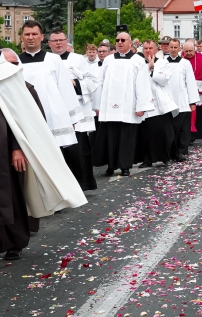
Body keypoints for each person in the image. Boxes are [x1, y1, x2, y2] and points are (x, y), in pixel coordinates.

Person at [0, 22, 86, 276]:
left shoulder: (11, 75)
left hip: (5, 151)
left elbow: (24, 115)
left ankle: (14, 241)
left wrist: (18, 148)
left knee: (9, 197)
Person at [18, 23, 82, 176]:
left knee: (57, 157)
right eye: (27, 34)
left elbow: (65, 88)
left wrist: (72, 117)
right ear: (22, 37)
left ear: (41, 37)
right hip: (28, 115)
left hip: (54, 115)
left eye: (34, 34)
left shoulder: (54, 60)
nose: (31, 37)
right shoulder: (15, 62)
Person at [93, 32, 154, 177]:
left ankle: (125, 166)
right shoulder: (108, 60)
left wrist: (141, 106)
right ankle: (111, 165)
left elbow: (143, 84)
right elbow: (99, 82)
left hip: (128, 107)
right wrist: (97, 105)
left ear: (130, 42)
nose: (120, 42)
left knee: (126, 137)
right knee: (110, 137)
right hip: (108, 107)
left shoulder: (138, 61)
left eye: (123, 40)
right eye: (117, 40)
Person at [48, 30, 99, 191]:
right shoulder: (46, 60)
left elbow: (93, 81)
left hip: (77, 112)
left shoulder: (78, 60)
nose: (58, 43)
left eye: (61, 40)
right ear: (48, 43)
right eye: (54, 40)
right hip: (54, 112)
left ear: (66, 41)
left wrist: (75, 84)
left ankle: (81, 184)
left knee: (78, 151)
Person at [138, 40, 178, 167]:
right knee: (147, 134)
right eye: (145, 48)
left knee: (164, 132)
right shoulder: (138, 64)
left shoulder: (163, 63)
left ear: (156, 50)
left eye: (150, 48)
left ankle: (165, 155)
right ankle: (147, 159)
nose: (148, 50)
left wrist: (153, 68)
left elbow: (164, 79)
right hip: (145, 103)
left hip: (160, 104)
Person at [163, 38, 200, 161]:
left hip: (183, 100)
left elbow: (190, 82)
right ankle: (169, 152)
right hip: (167, 100)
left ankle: (181, 152)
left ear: (180, 49)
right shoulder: (163, 62)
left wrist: (192, 101)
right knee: (170, 129)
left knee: (183, 129)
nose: (173, 50)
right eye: (171, 47)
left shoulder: (185, 63)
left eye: (175, 47)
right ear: (168, 48)